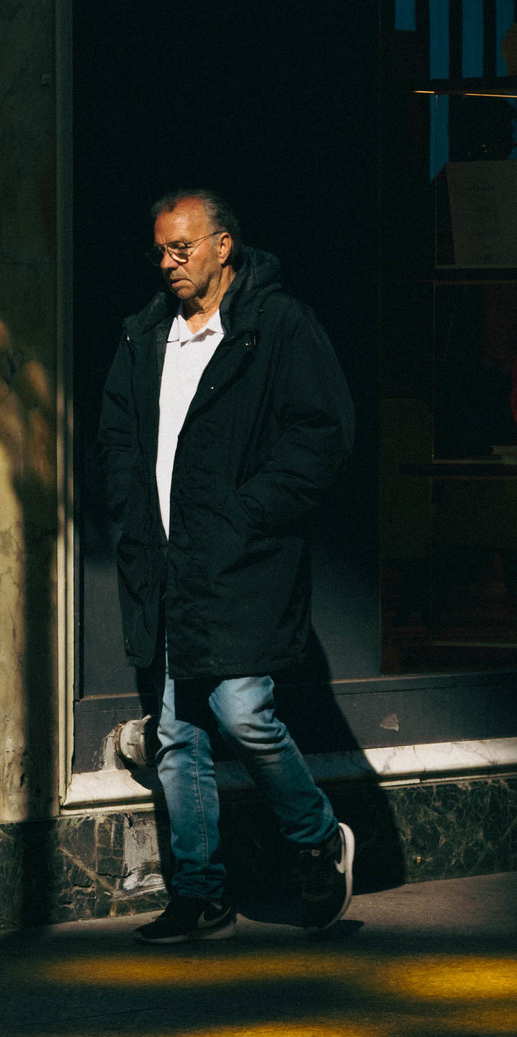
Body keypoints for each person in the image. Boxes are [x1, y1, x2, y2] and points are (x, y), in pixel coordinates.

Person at [99, 189, 357, 943]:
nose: (167, 262)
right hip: (164, 566)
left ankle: (317, 839)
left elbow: (324, 435)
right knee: (177, 731)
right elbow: (118, 435)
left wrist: (245, 514)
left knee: (242, 711)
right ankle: (200, 896)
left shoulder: (277, 326)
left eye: (181, 247)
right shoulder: (146, 335)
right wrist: (132, 513)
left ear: (223, 246)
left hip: (242, 562)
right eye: (159, 250)